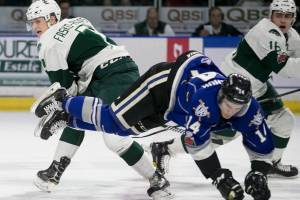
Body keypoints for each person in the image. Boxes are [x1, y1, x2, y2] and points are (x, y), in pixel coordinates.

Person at [33, 51, 274, 200]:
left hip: (176, 108)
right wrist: (220, 177)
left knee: (123, 131)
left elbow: (261, 146)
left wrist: (258, 173)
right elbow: (199, 146)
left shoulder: (249, 110)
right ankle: (63, 101)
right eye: (228, 103)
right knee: (113, 119)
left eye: (237, 106)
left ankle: (69, 118)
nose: (231, 110)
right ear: (220, 95)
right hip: (160, 85)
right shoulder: (206, 102)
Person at [26, 1, 172, 199]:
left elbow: (64, 91)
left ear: (52, 19)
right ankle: (53, 172)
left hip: (112, 77)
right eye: (31, 23)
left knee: (114, 137)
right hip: (112, 71)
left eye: (38, 21)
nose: (34, 27)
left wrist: (59, 107)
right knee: (75, 113)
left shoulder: (47, 43)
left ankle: (157, 178)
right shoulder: (77, 20)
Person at [220, 0, 300, 178]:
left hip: (258, 85)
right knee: (223, 135)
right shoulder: (265, 32)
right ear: (271, 16)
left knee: (284, 120)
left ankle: (272, 163)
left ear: (293, 19)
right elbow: (285, 69)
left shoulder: (292, 36)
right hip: (234, 85)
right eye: (279, 15)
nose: (283, 20)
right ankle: (167, 148)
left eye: (287, 16)